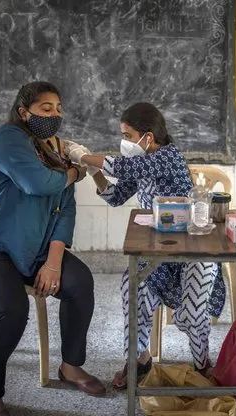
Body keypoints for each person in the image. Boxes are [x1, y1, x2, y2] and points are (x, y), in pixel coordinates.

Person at [0, 81, 106, 416]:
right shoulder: (6, 138)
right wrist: (77, 171)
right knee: (11, 309)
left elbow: (65, 212)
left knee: (80, 282)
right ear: (24, 112)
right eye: (46, 109)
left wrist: (52, 262)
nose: (55, 115)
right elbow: (39, 184)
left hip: (31, 250)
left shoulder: (56, 148)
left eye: (58, 109)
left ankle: (70, 366)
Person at [67, 102, 226, 389]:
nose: (124, 142)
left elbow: (127, 165)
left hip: (192, 250)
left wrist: (84, 156)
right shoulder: (143, 163)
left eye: (127, 135)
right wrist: (94, 173)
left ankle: (202, 363)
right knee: (133, 287)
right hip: (158, 252)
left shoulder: (168, 157)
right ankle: (138, 359)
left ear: (148, 137)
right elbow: (115, 196)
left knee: (191, 313)